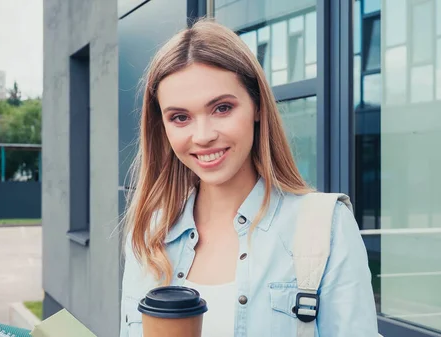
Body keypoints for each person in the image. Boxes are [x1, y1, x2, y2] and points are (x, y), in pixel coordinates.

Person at [119, 18, 378, 337]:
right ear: (162, 126)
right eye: (180, 117)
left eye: (222, 108)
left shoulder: (325, 228)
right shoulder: (148, 234)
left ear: (257, 106)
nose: (202, 136)